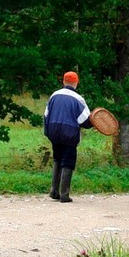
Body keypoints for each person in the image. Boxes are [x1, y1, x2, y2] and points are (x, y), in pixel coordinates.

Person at [43, 71, 92, 203]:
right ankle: (64, 194)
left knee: (57, 157)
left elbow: (46, 115)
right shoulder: (78, 99)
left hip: (53, 130)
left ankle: (54, 191)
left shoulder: (54, 95)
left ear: (64, 82)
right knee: (68, 160)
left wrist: (47, 132)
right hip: (69, 132)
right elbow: (85, 120)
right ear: (76, 83)